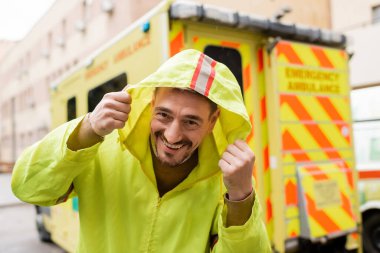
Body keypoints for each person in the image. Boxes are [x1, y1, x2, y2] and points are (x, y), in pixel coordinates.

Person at [12, 49, 271, 252]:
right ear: (152, 101)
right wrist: (87, 129)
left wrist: (241, 197)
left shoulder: (229, 182)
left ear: (213, 120)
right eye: (164, 114)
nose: (172, 135)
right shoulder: (101, 149)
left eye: (191, 121)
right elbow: (27, 186)